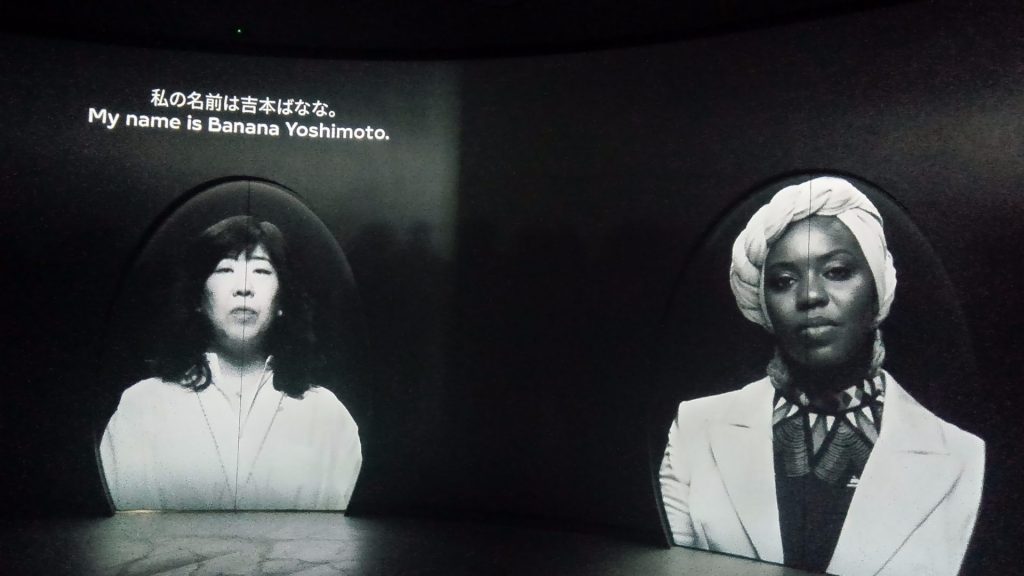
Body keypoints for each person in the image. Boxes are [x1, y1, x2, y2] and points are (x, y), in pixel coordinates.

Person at [658, 176, 984, 575]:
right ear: (764, 305)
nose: (810, 295)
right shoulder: (696, 428)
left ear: (877, 291)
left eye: (837, 271)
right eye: (784, 281)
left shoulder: (962, 455)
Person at [101, 215, 361, 510]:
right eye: (225, 269)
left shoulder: (327, 416)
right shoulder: (143, 406)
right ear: (198, 297)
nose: (244, 287)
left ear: (282, 301)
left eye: (261, 271)